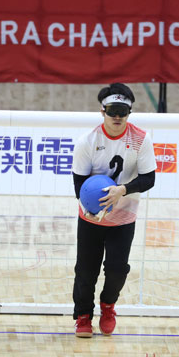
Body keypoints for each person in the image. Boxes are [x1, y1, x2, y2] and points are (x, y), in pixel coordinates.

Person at [71, 83, 157, 337]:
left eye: (123, 111)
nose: (117, 117)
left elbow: (149, 179)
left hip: (123, 217)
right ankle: (83, 316)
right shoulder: (87, 141)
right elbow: (79, 184)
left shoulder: (141, 139)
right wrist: (89, 208)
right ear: (102, 111)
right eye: (112, 111)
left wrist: (122, 190)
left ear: (130, 112)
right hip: (91, 217)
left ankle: (108, 305)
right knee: (86, 270)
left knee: (118, 270)